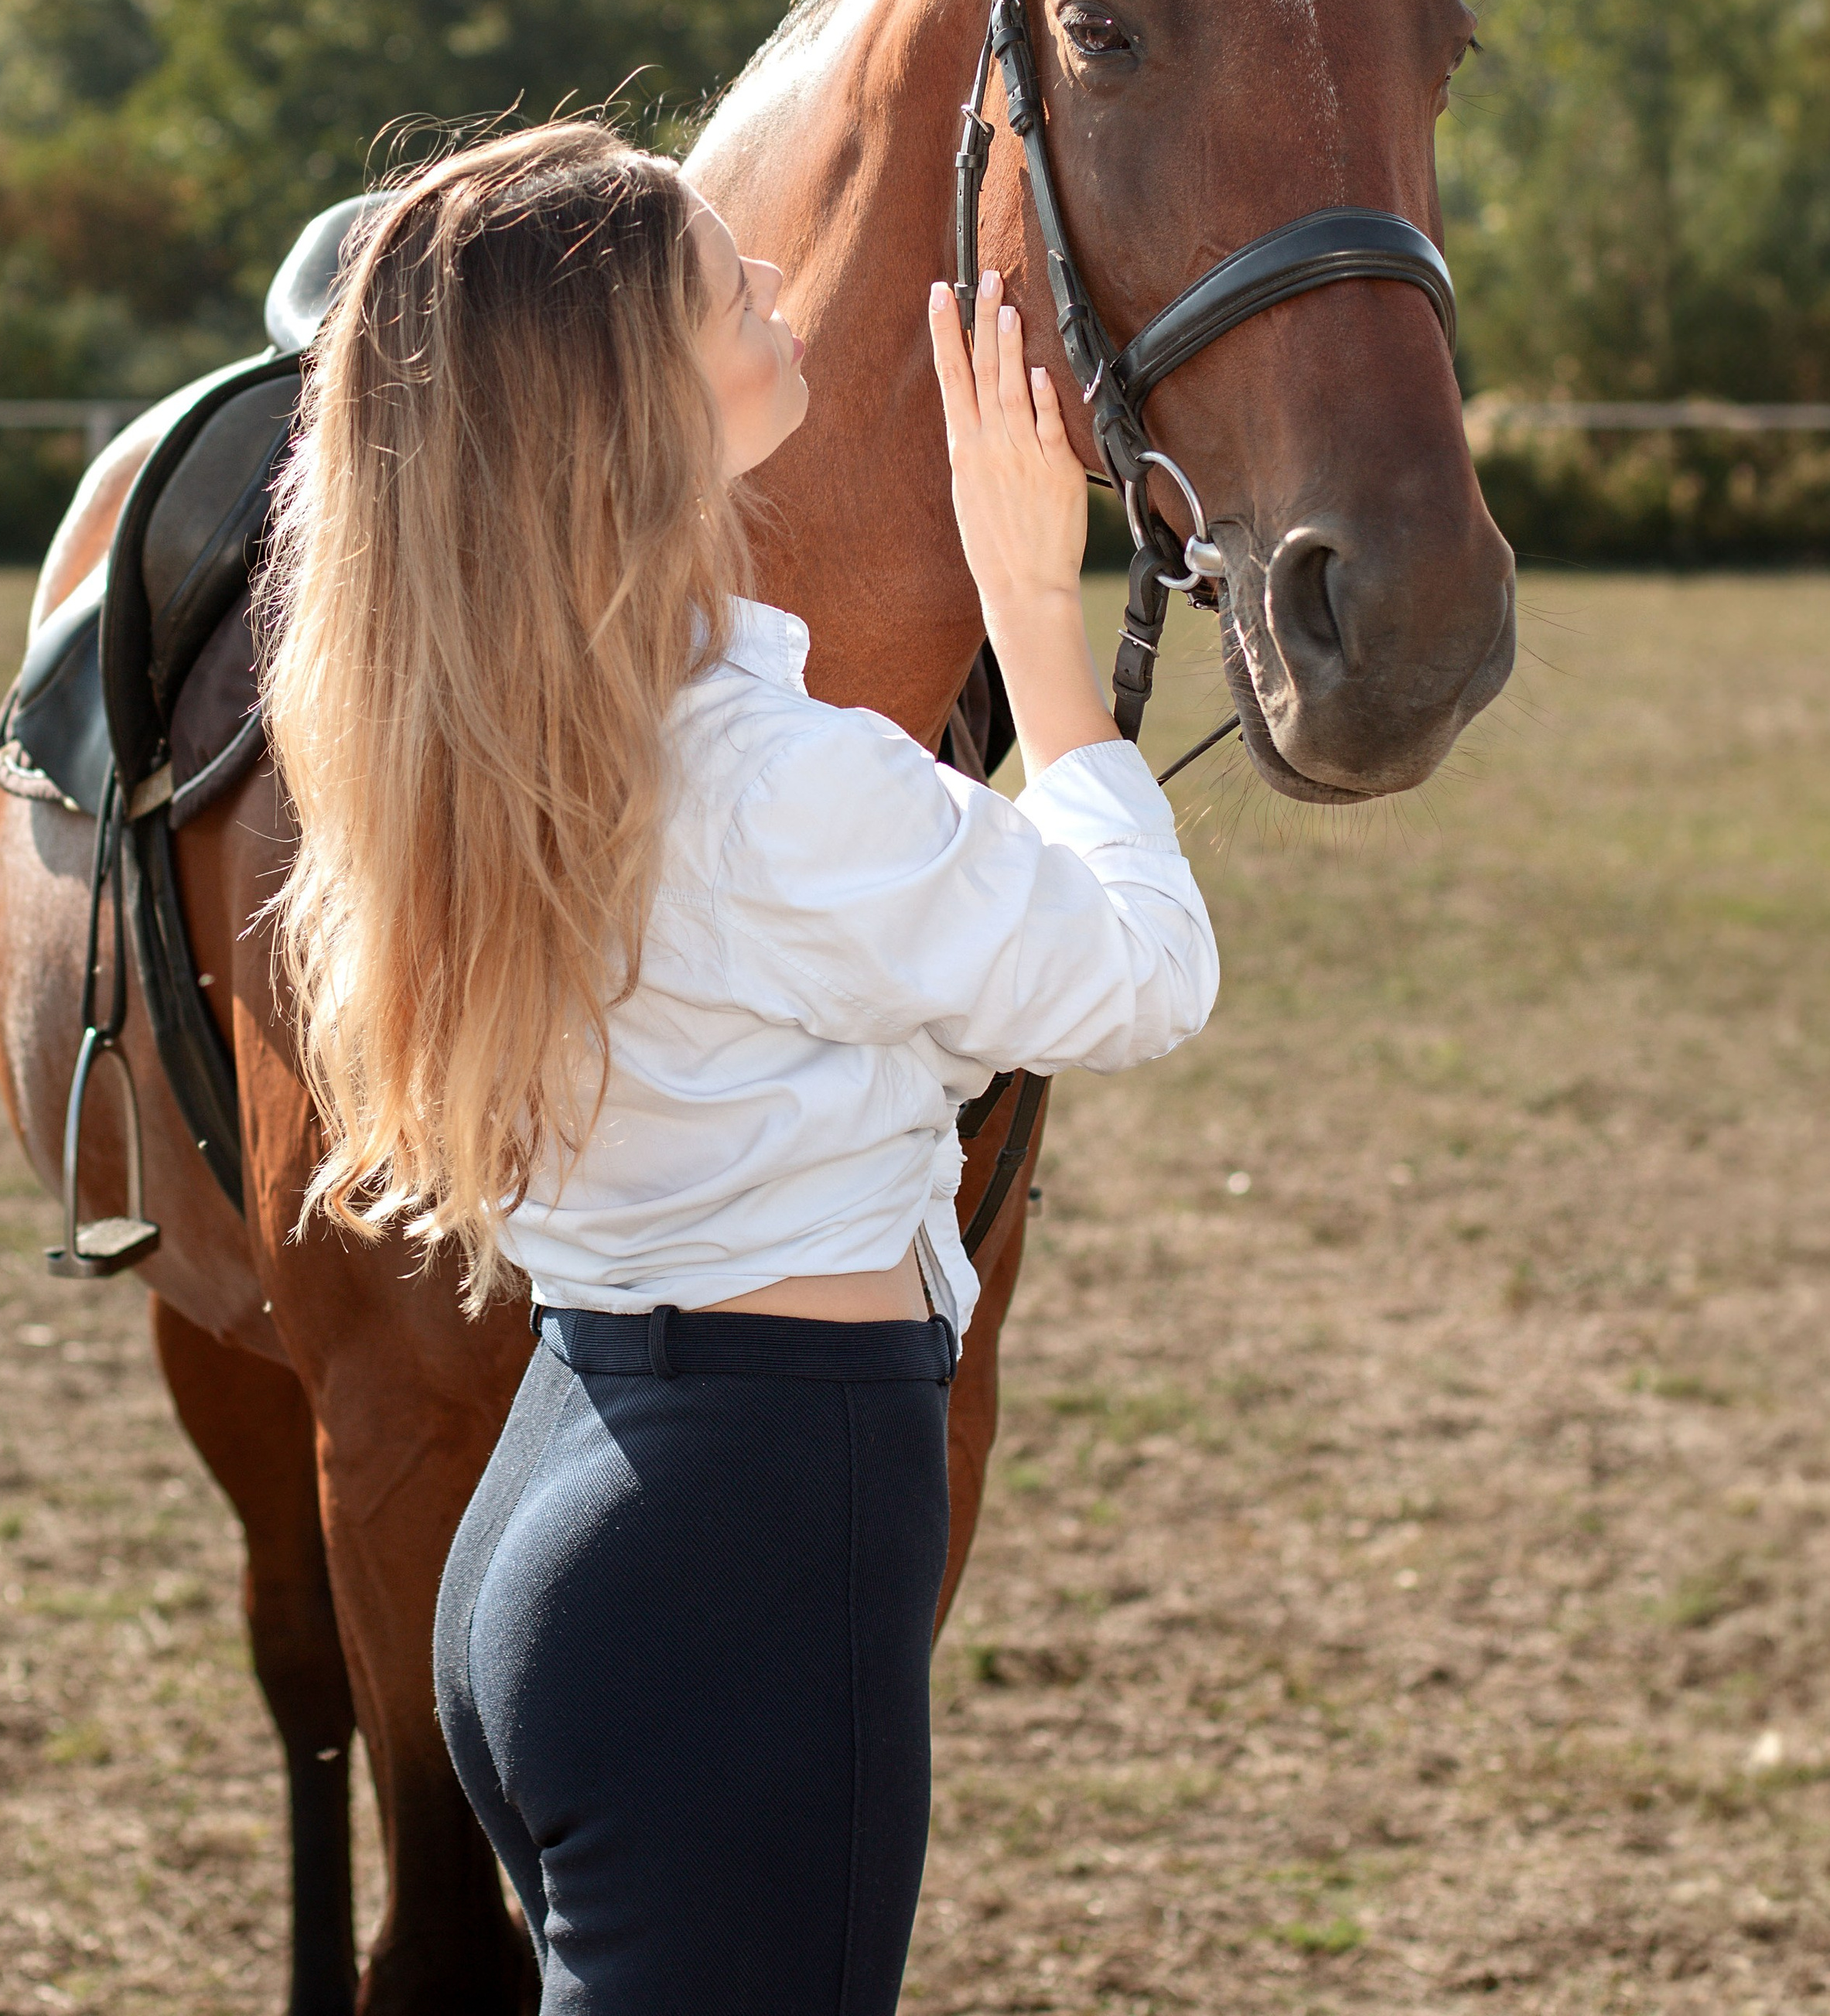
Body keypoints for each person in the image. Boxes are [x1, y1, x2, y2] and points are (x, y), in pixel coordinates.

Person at [257, 119, 1217, 2016]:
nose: (775, 290)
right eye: (723, 285)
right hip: (746, 1543)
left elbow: (902, 997)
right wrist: (1036, 615)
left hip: (568, 1501)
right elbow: (1140, 979)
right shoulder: (781, 787)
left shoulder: (508, 757)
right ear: (626, 406)